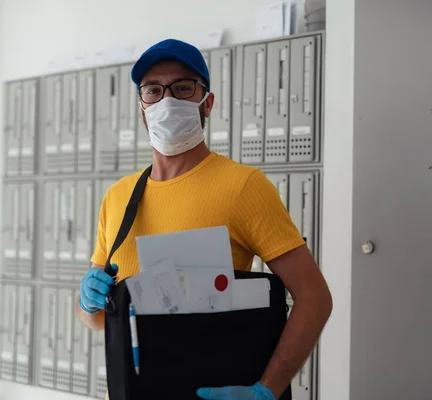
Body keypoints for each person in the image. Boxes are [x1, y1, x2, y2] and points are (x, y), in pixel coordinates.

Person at [74, 38, 333, 400]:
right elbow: (98, 320)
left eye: (182, 88)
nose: (167, 100)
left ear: (206, 103)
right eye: (153, 90)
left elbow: (314, 297)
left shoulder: (243, 186)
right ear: (142, 106)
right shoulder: (118, 197)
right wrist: (87, 303)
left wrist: (266, 391)